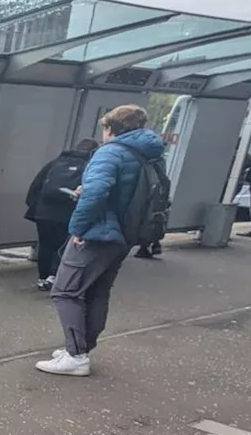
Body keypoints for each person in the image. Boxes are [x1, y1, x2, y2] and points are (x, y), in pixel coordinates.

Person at [37, 105, 165, 377]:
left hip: (97, 234)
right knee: (97, 290)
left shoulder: (110, 152)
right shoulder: (150, 156)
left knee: (65, 292)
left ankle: (76, 355)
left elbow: (97, 193)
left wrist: (78, 229)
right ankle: (80, 347)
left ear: (110, 129)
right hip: (126, 234)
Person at [25, 138, 97, 291]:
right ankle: (53, 277)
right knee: (62, 246)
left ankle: (42, 278)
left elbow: (35, 187)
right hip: (68, 214)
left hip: (44, 213)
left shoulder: (55, 163)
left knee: (45, 245)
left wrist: (35, 207)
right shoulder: (90, 167)